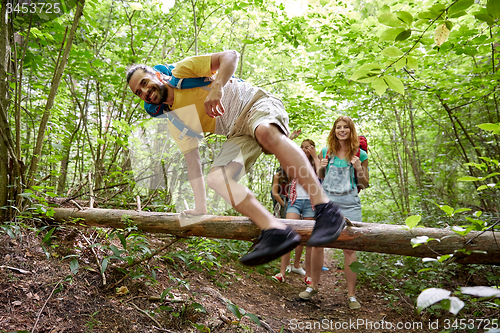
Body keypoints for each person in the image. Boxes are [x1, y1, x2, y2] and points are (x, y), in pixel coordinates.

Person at [125, 51, 346, 266]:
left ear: (157, 75)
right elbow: (192, 163)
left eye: (144, 82)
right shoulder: (176, 121)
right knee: (217, 179)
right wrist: (200, 207)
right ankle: (275, 230)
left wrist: (217, 87)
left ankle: (326, 209)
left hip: (256, 103)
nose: (145, 91)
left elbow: (229, 56)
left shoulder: (182, 72)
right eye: (138, 92)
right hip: (237, 131)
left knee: (265, 132)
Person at [298, 116, 368, 310]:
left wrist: (358, 167)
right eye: (339, 127)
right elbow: (321, 177)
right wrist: (320, 168)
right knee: (318, 243)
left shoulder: (360, 154)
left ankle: (352, 295)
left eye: (346, 127)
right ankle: (313, 286)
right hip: (327, 203)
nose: (342, 130)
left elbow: (364, 184)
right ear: (334, 130)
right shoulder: (325, 151)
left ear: (351, 130)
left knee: (349, 249)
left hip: (351, 204)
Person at [272, 139, 318, 283]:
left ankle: (308, 275)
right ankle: (281, 273)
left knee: (308, 239)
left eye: (308, 148)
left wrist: (315, 156)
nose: (305, 150)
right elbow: (282, 152)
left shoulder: (318, 163)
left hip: (310, 203)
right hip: (295, 201)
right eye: (302, 147)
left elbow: (321, 176)